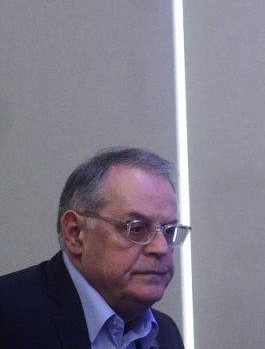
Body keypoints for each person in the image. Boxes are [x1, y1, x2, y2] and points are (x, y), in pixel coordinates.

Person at [0, 147, 189, 349]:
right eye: (137, 229)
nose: (161, 248)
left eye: (169, 231)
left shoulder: (165, 332)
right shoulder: (8, 314)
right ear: (75, 233)